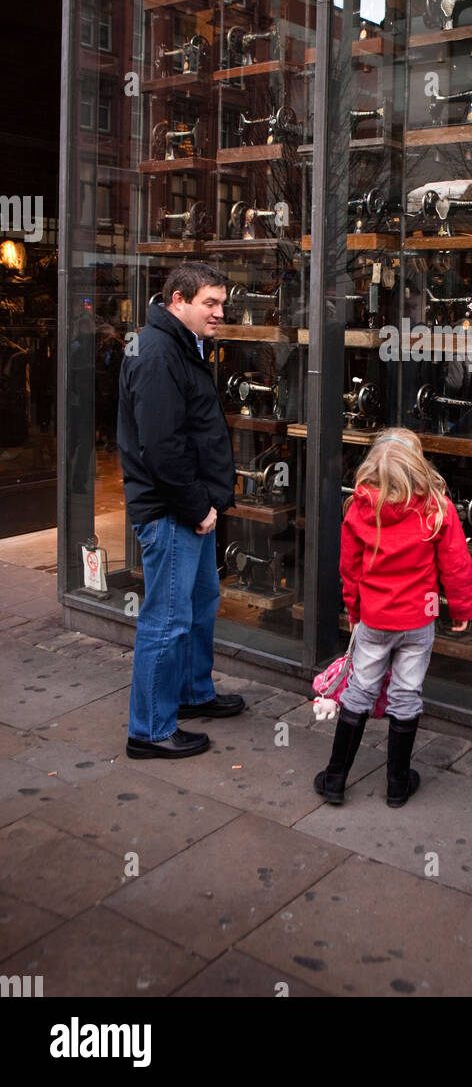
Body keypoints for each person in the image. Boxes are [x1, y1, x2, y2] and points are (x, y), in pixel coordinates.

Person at [117, 262, 243, 759]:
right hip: (174, 512)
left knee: (199, 605)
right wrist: (197, 507)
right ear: (177, 300)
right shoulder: (155, 352)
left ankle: (192, 693)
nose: (219, 312)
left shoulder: (180, 344)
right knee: (166, 620)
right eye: (210, 303)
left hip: (192, 508)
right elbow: (161, 447)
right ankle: (148, 730)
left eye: (222, 303)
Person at [315, 428, 472, 808]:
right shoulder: (438, 508)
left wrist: (354, 611)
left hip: (374, 619)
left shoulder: (359, 507)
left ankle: (336, 779)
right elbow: (456, 565)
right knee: (407, 694)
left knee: (360, 690)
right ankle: (397, 784)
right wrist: (462, 609)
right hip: (419, 620)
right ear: (419, 466)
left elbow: (349, 569)